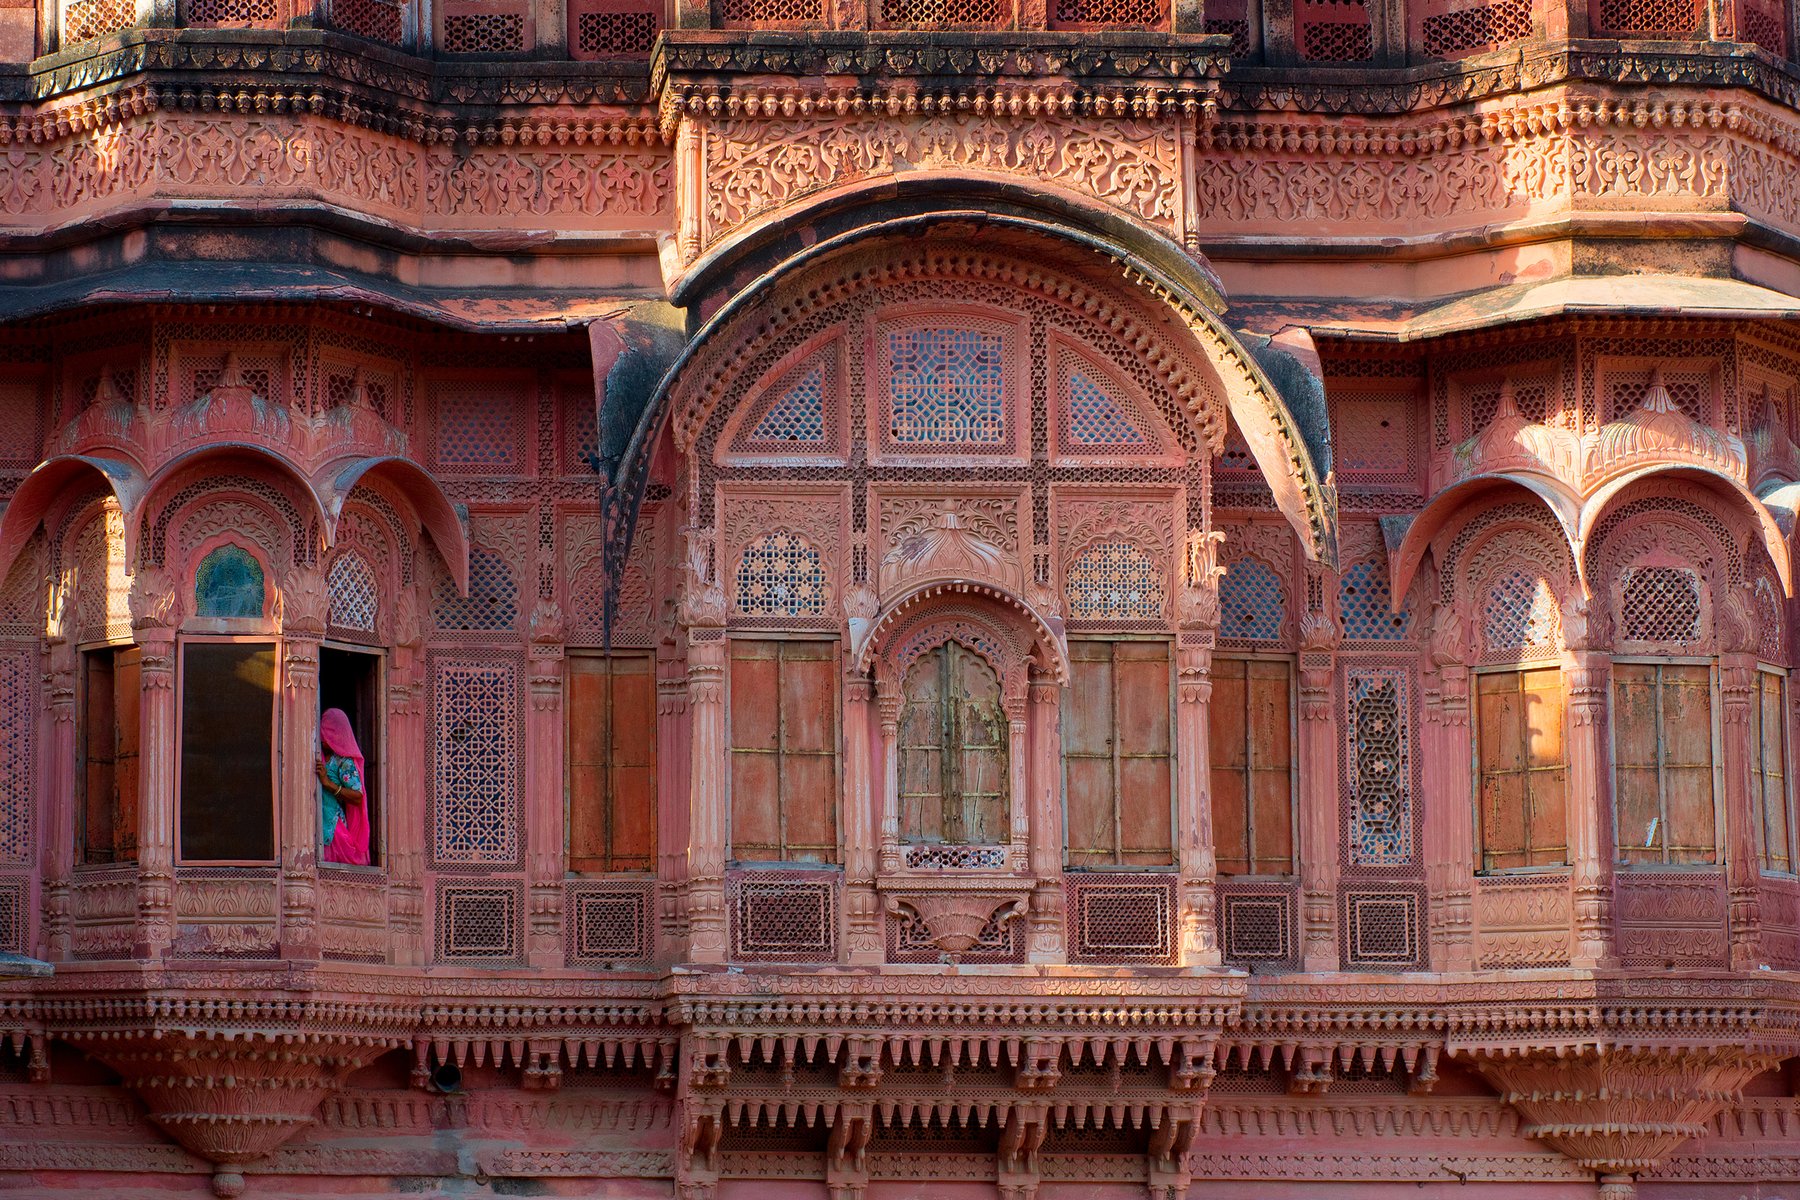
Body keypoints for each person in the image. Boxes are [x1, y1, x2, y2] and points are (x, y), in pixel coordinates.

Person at [317, 708, 370, 866]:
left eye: (327, 732)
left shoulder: (343, 762)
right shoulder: (315, 753)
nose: (322, 737)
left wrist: (328, 784)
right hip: (315, 823)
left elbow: (357, 796)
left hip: (333, 828)